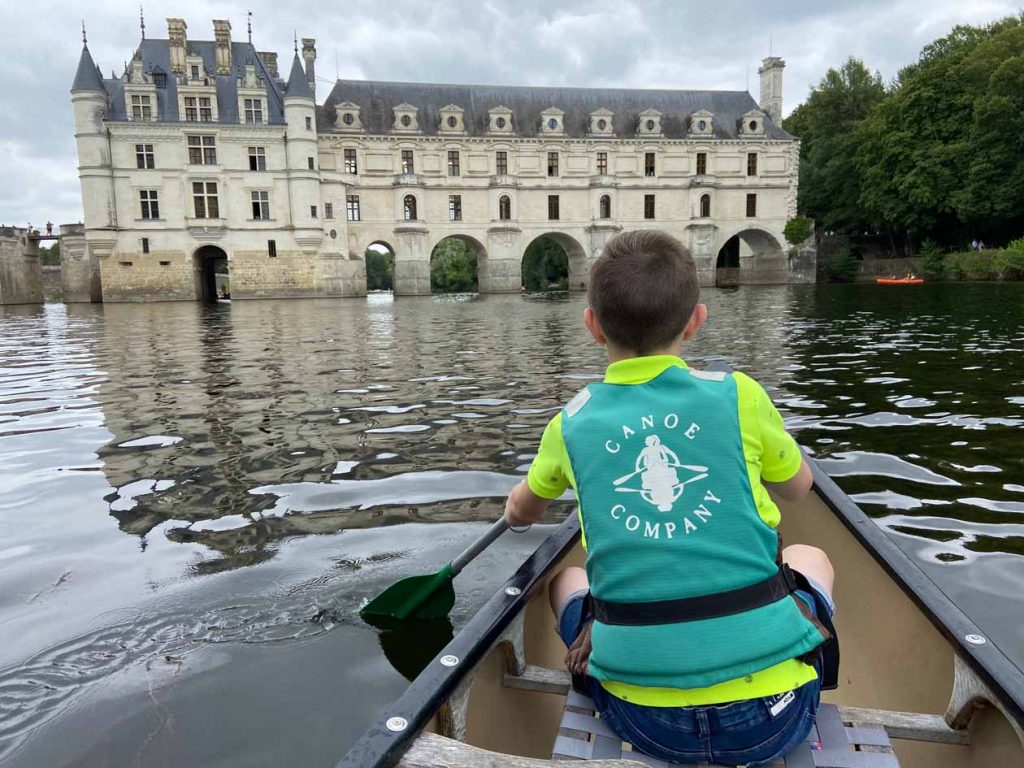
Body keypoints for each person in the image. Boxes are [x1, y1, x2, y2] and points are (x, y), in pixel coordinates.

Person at [504, 230, 836, 766]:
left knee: (565, 578)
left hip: (645, 719)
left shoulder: (570, 422)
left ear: (592, 326)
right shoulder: (741, 393)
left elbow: (522, 512)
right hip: (776, 717)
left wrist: (512, 508)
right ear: (696, 320)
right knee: (809, 557)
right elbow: (800, 488)